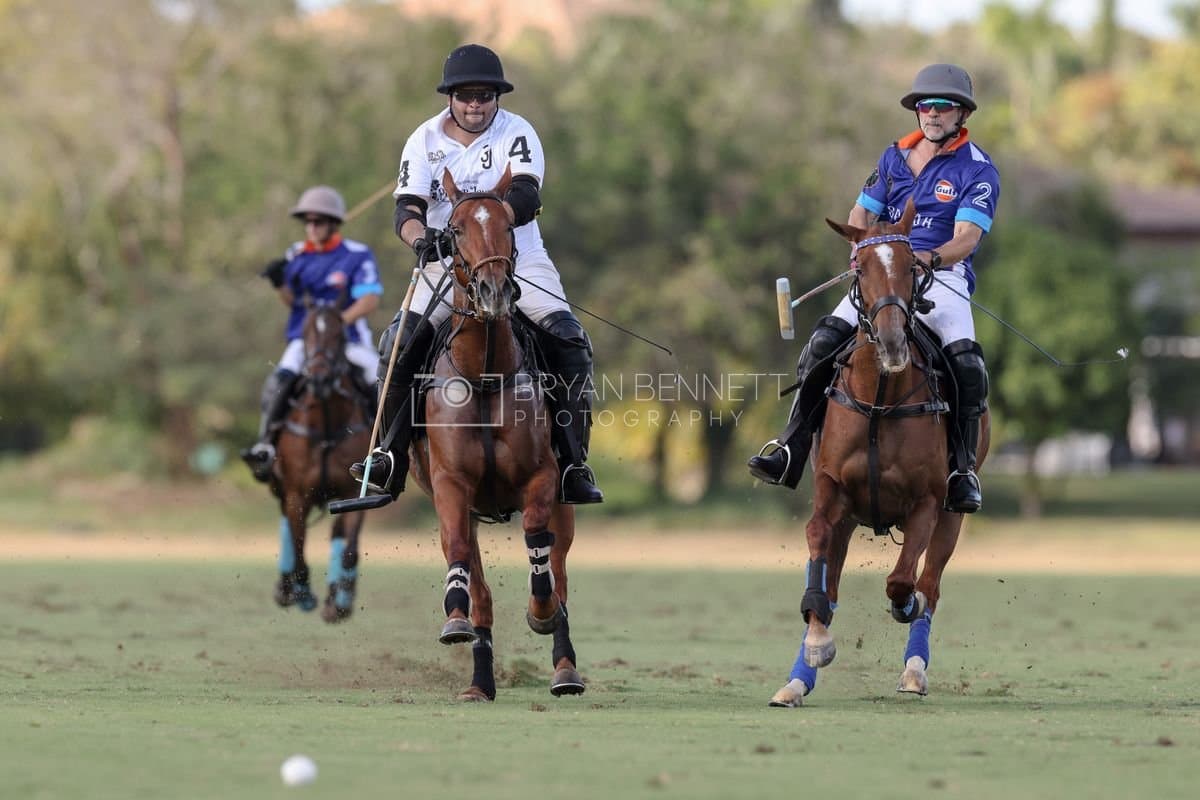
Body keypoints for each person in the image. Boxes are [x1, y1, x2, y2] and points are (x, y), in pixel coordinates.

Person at [351, 43, 603, 505]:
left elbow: (525, 195)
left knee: (570, 341)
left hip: (515, 258)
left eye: (485, 96)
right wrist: (421, 240)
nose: (475, 104)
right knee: (396, 344)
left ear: (497, 99)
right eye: (466, 95)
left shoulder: (517, 132)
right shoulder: (423, 140)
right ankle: (389, 457)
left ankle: (572, 462)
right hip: (445, 261)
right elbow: (407, 210)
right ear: (450, 97)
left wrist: (482, 229)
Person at [748, 63, 997, 513]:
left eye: (942, 106)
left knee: (967, 365)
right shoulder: (893, 158)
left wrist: (926, 259)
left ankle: (961, 470)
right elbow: (860, 216)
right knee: (821, 342)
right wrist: (862, 254)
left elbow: (966, 238)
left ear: (962, 114)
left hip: (942, 278)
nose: (932, 114)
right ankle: (790, 447)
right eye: (925, 105)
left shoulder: (977, 170)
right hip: (882, 273)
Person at [240, 185, 383, 481]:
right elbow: (292, 301)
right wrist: (280, 283)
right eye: (308, 221)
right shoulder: (297, 254)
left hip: (349, 338)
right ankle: (265, 444)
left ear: (333, 223)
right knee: (278, 379)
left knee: (377, 380)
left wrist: (333, 324)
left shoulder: (356, 255)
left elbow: (369, 299)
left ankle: (384, 450)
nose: (312, 227)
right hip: (304, 341)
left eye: (318, 221)